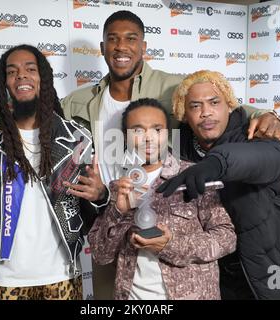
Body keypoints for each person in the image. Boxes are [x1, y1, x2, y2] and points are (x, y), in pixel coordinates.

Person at [0, 10, 280, 299]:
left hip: (163, 218)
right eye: (112, 39)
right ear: (102, 48)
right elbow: (29, 113)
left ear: (144, 46)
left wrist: (265, 114)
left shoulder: (171, 86)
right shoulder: (80, 101)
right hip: (107, 219)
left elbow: (214, 100)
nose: (121, 47)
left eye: (131, 39)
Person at [0, 44, 109, 300]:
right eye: (12, 71)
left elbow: (94, 206)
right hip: (6, 279)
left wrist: (100, 195)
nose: (21, 75)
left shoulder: (76, 139)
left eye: (31, 69)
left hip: (63, 274)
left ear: (44, 79)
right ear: (5, 83)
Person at [157, 70, 280, 300]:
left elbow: (275, 158)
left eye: (214, 102)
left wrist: (217, 163)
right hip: (206, 266)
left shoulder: (257, 132)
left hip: (264, 262)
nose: (206, 112)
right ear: (184, 114)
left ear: (229, 105)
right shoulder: (177, 145)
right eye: (195, 106)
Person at [88, 98, 236, 299]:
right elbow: (100, 254)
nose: (148, 138)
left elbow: (226, 238)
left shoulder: (192, 176)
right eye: (138, 131)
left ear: (167, 134)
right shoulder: (119, 186)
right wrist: (118, 212)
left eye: (157, 129)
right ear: (125, 137)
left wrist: (170, 245)